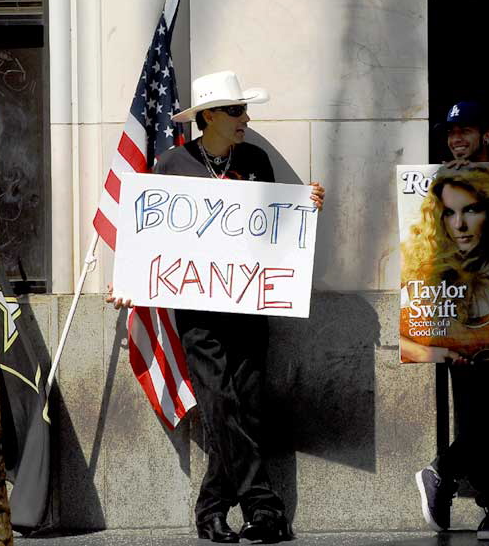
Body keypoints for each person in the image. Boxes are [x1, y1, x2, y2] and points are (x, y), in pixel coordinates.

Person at [107, 70, 325, 544]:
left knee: (244, 407)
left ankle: (210, 510)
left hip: (249, 306)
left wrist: (306, 208)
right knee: (220, 401)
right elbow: (151, 233)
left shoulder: (256, 161)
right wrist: (128, 280)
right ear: (208, 117)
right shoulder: (172, 164)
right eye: (236, 110)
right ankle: (264, 506)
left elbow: (276, 229)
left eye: (245, 110)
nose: (245, 118)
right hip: (198, 313)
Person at [402, 163, 489, 540]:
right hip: (462, 349)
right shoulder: (434, 262)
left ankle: (447, 475)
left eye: (471, 210)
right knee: (482, 419)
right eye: (449, 212)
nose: (459, 223)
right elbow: (410, 329)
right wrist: (439, 350)